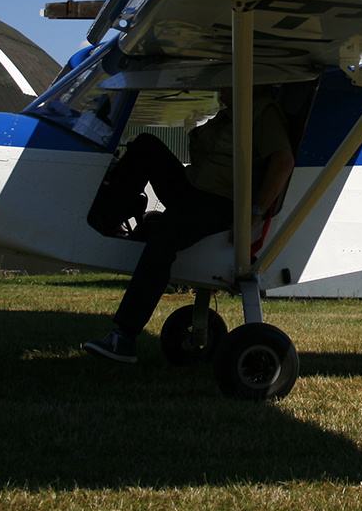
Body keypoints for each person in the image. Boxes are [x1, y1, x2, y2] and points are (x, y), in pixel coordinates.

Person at [83, 87, 294, 363]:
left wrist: (254, 213)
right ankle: (104, 221)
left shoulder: (262, 112)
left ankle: (124, 337)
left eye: (227, 83)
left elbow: (283, 161)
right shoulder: (226, 115)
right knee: (146, 145)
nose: (220, 90)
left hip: (221, 201)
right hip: (194, 188)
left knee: (164, 236)